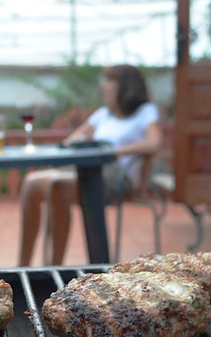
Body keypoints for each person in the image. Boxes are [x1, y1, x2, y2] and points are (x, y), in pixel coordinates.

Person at [18, 64, 162, 266]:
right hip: (88, 171)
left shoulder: (144, 111)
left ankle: (54, 267)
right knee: (31, 182)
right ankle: (23, 265)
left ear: (125, 86)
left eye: (108, 81)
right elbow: (73, 139)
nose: (102, 86)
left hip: (119, 177)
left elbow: (154, 143)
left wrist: (112, 152)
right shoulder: (103, 114)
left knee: (58, 186)